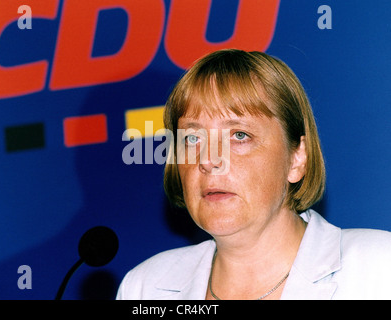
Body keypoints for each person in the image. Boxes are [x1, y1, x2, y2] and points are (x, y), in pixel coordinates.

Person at [116, 49, 391, 300]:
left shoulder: (378, 268)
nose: (209, 160)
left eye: (239, 135)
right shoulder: (145, 288)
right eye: (191, 138)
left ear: (297, 158)